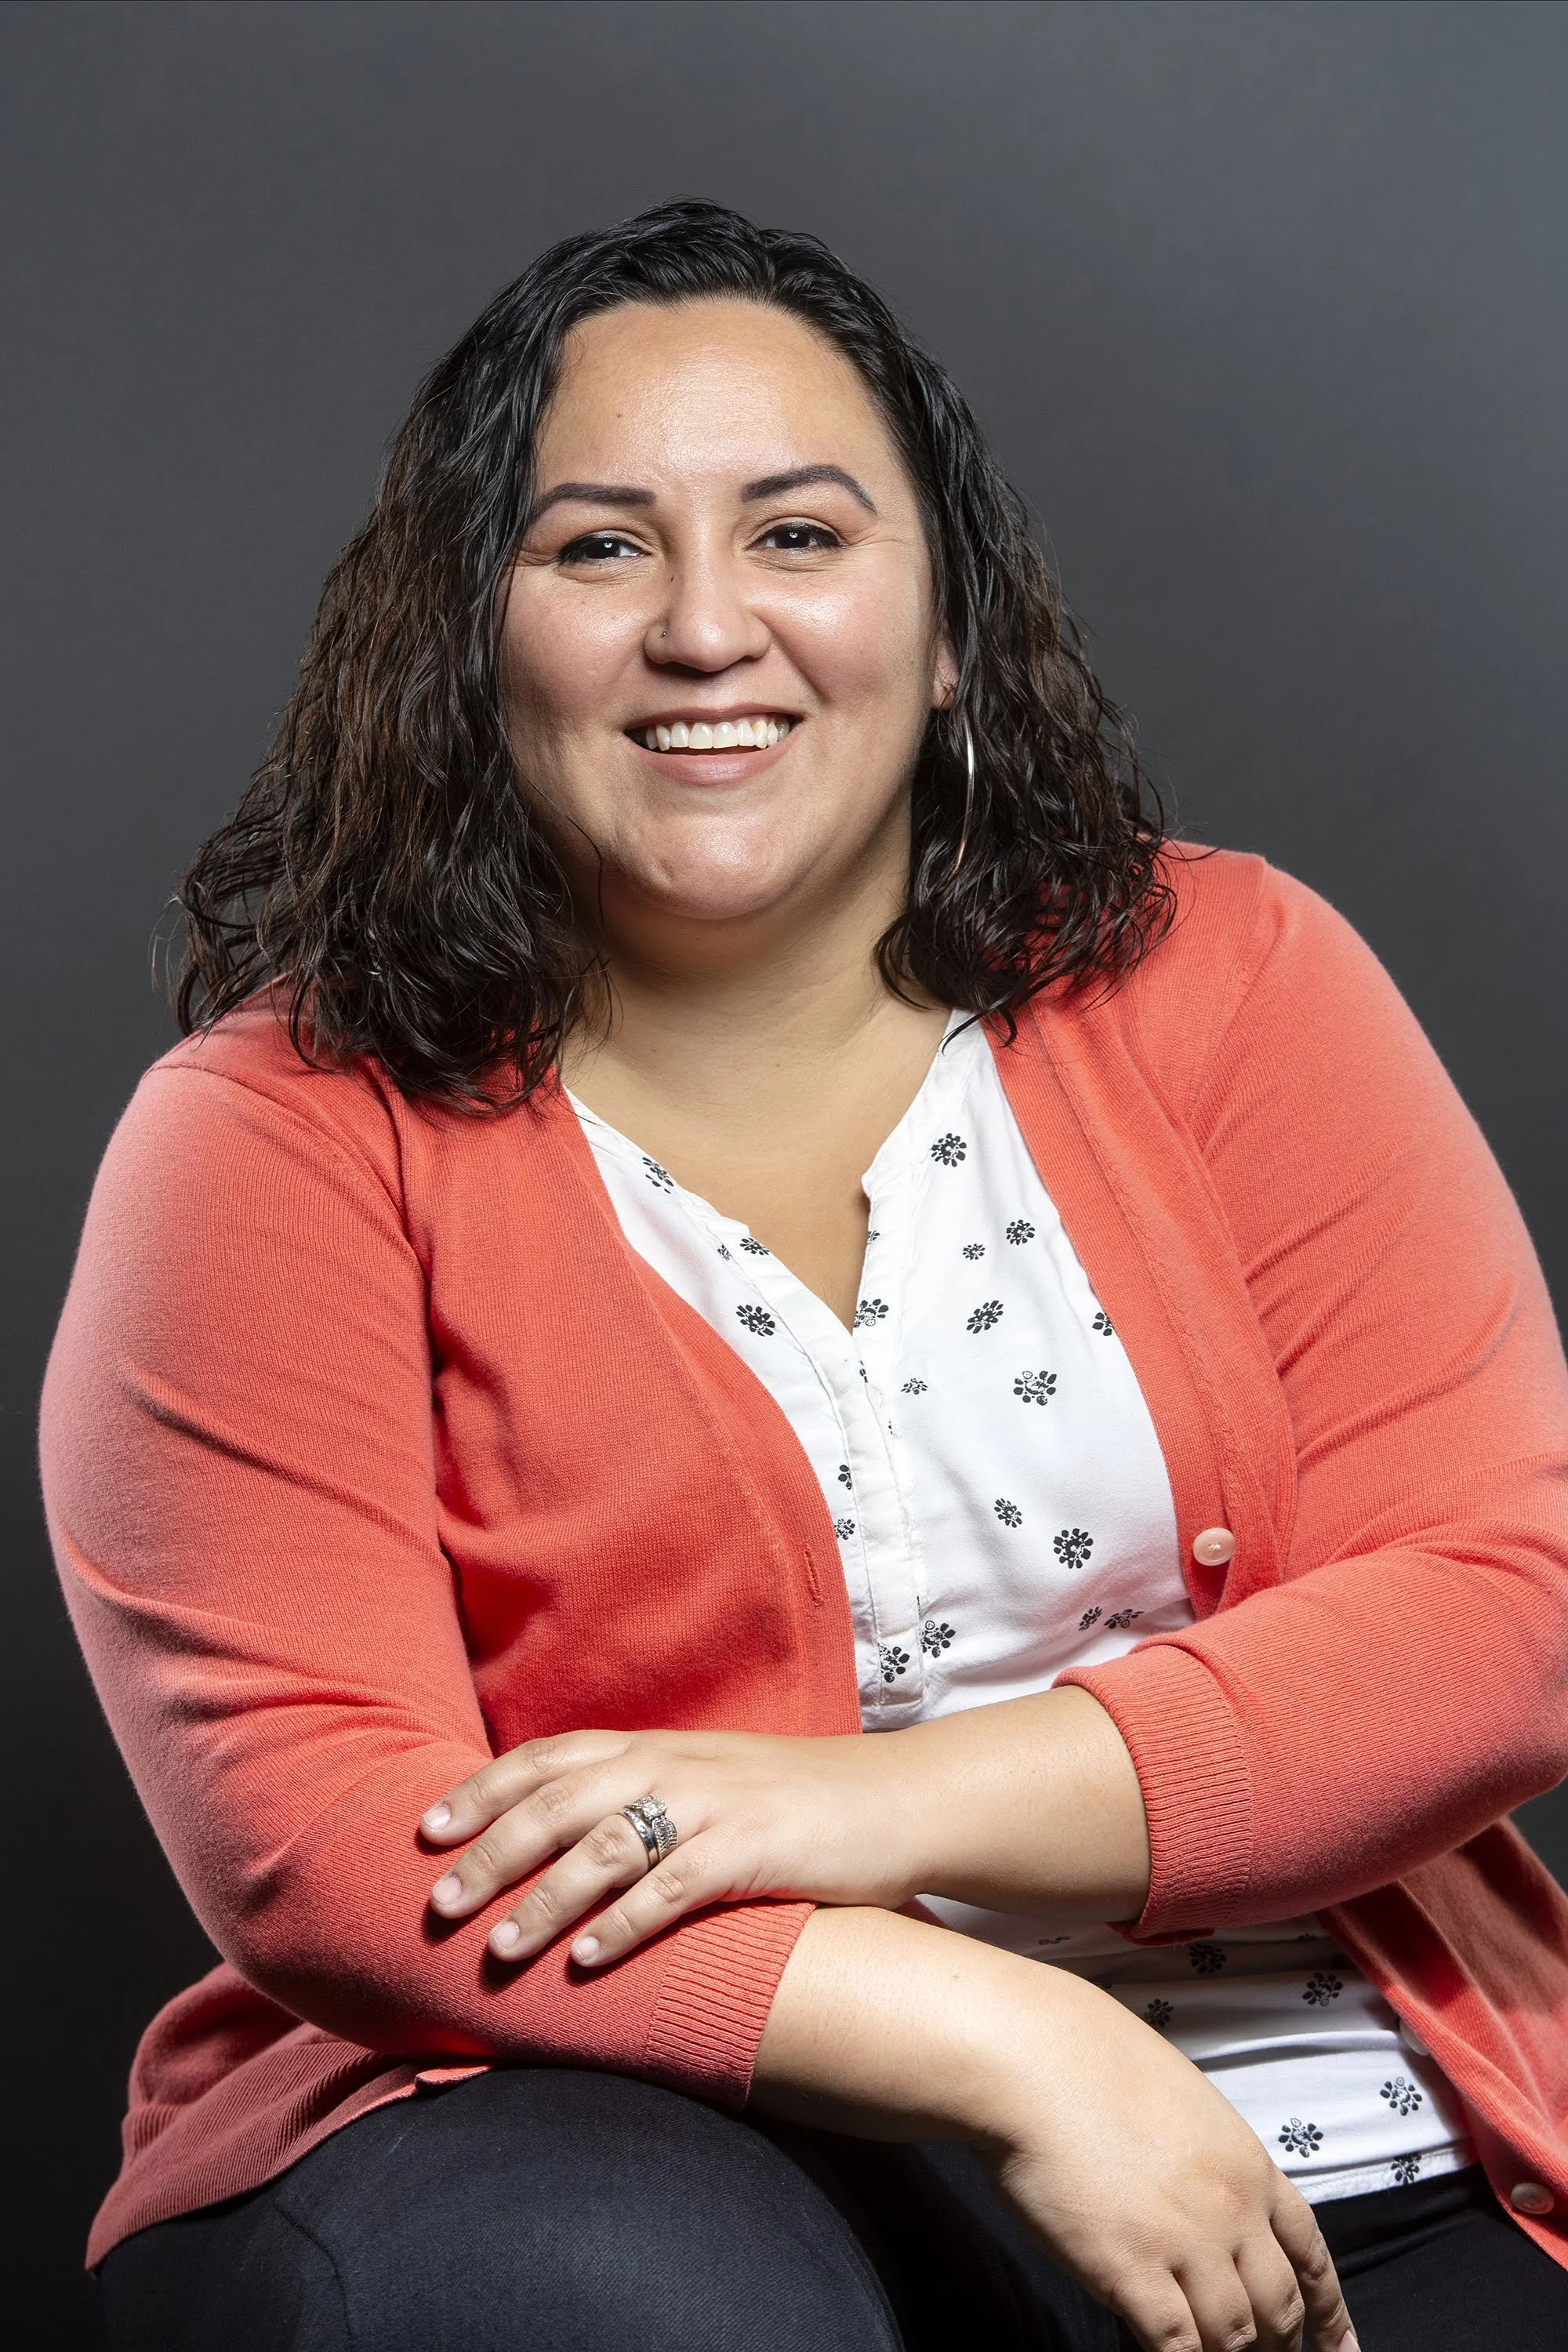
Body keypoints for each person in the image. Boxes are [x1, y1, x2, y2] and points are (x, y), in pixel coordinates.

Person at [39, 199, 1568, 2352]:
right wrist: (1008, 2036)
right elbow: (327, 1838)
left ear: (944, 622)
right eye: (595, 547)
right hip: (617, 2122)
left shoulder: (1238, 978)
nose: (700, 629)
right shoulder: (275, 1139)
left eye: (795, 534)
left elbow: (1499, 1614)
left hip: (1325, 2130)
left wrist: (869, 1809)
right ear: (473, 638)